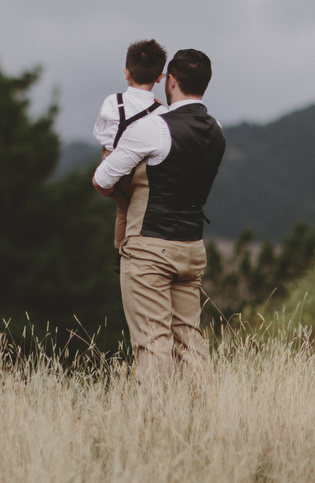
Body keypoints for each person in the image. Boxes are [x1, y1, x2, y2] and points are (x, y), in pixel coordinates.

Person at [93, 48, 226, 395]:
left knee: (153, 345)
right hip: (192, 248)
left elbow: (101, 180)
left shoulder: (153, 128)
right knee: (190, 344)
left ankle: (154, 431)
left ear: (170, 81)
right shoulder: (217, 131)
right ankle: (202, 424)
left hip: (150, 248)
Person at [92, 39, 167, 254]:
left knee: (123, 209)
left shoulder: (112, 101)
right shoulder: (161, 111)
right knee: (135, 210)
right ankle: (132, 252)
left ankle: (119, 252)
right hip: (142, 169)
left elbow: (99, 132)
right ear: (160, 78)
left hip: (110, 161)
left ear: (126, 72)